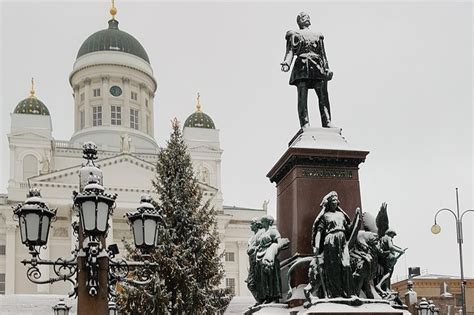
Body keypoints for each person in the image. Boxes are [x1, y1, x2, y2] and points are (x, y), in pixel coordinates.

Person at [281, 12, 333, 129]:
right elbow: (290, 52)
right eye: (303, 17)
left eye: (307, 17)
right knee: (302, 98)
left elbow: (323, 53)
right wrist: (286, 64)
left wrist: (327, 68)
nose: (306, 18)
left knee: (323, 96)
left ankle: (327, 122)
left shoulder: (318, 35)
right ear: (299, 22)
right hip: (302, 66)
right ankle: (305, 123)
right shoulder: (294, 34)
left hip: (318, 66)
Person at [311, 191, 359, 298]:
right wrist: (317, 246)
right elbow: (319, 231)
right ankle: (335, 293)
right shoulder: (325, 216)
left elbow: (349, 229)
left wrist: (356, 217)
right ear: (328, 203)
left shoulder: (341, 215)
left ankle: (348, 291)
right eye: (333, 201)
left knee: (346, 265)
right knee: (333, 268)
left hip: (342, 240)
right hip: (330, 240)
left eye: (336, 201)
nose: (335, 203)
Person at [254, 215, 289, 304]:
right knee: (262, 279)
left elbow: (279, 242)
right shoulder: (263, 233)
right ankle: (265, 296)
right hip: (261, 256)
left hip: (270, 257)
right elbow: (258, 245)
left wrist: (273, 249)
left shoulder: (273, 231)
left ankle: (272, 297)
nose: (262, 223)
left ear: (269, 222)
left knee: (270, 277)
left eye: (264, 221)